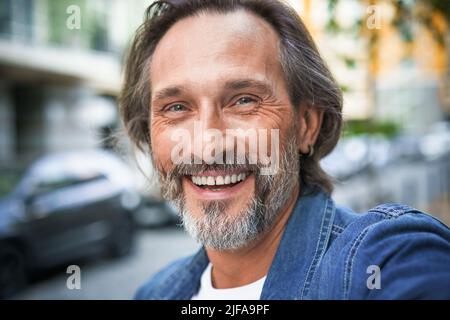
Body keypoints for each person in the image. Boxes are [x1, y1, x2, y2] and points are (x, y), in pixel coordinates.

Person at [119, 0, 450, 299]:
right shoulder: (155, 292)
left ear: (307, 125)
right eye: (176, 107)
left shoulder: (384, 260)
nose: (207, 145)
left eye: (244, 100)